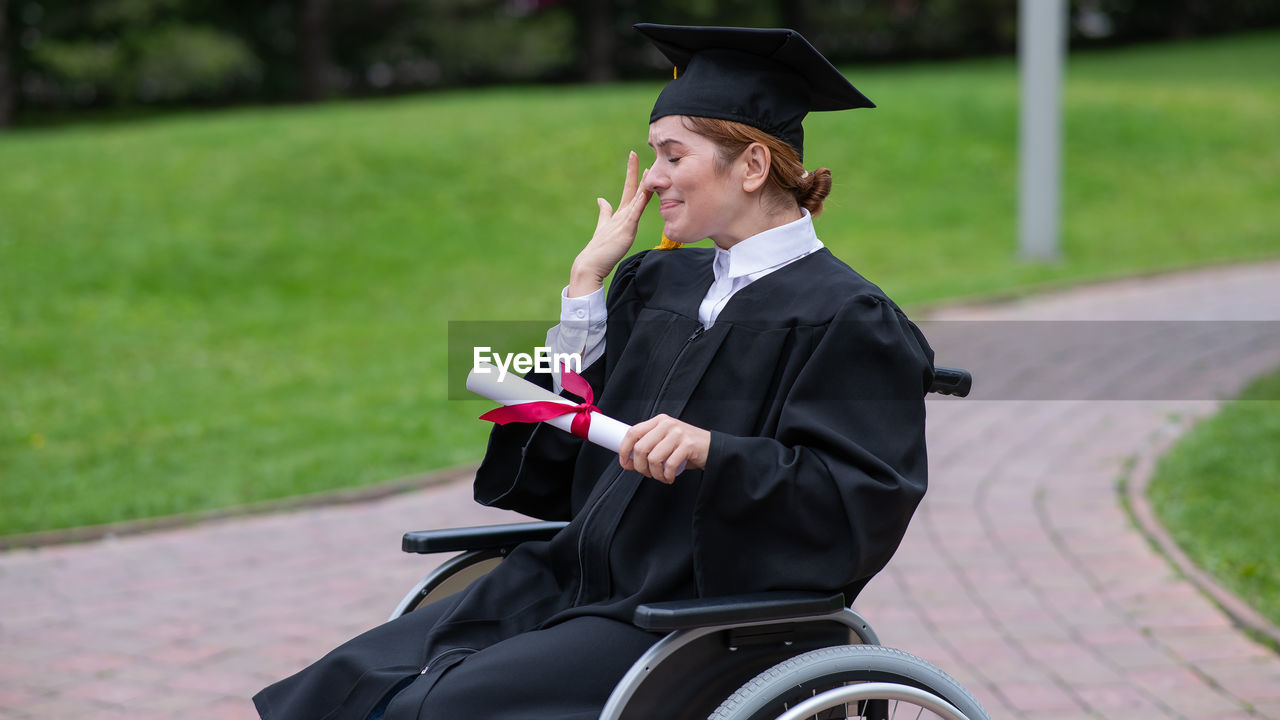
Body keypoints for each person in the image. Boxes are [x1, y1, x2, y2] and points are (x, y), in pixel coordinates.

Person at [253, 23, 934, 720]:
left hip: (685, 615)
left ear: (754, 166)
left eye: (674, 155)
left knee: (431, 708)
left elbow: (863, 499)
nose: (655, 176)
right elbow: (564, 450)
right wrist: (584, 290)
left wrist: (714, 451)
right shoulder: (657, 282)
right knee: (342, 682)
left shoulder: (848, 315)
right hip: (568, 578)